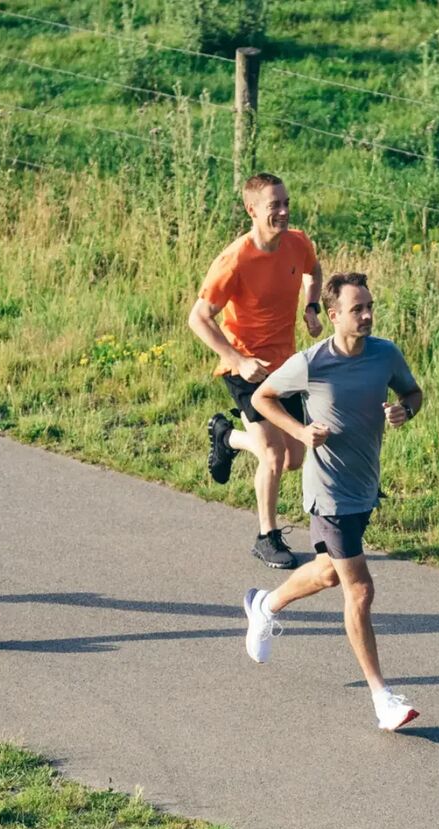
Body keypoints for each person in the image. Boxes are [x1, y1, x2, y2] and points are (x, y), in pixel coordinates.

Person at [241, 272, 425, 731]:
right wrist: (301, 432)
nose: (366, 315)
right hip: (328, 491)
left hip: (365, 485)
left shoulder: (386, 354)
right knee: (359, 589)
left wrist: (406, 410)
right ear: (334, 314)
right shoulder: (311, 362)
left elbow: (412, 392)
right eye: (357, 309)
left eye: (369, 307)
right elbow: (263, 397)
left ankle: (265, 606)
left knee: (327, 572)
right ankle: (383, 699)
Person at [187, 172, 324, 569]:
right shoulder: (235, 260)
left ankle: (226, 437)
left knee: (295, 458)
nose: (282, 211)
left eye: (285, 203)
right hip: (246, 367)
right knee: (273, 454)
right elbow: (198, 318)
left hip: (287, 365)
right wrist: (236, 360)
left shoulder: (298, 242)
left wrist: (311, 307)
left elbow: (314, 272)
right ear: (252, 210)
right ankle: (267, 536)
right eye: (273, 206)